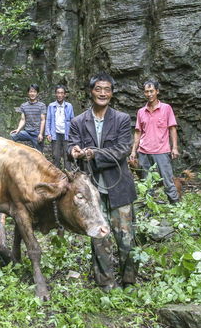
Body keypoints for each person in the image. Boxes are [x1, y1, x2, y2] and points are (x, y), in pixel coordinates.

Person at [68, 72, 138, 290]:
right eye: (98, 89)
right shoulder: (78, 121)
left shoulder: (122, 119)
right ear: (91, 91)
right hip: (93, 191)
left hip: (119, 187)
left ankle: (129, 281)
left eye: (107, 89)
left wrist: (94, 154)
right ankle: (106, 284)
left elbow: (123, 149)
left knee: (126, 238)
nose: (103, 93)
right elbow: (71, 145)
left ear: (112, 93)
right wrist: (74, 151)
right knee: (99, 237)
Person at [129, 80, 180, 204]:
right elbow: (137, 132)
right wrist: (133, 151)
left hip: (161, 150)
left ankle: (175, 203)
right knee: (147, 180)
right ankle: (149, 204)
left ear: (157, 91)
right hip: (144, 151)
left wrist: (174, 148)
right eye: (146, 91)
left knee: (167, 179)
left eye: (151, 91)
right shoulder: (141, 112)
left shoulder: (166, 108)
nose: (149, 94)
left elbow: (172, 128)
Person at [10, 84, 46, 152]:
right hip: (27, 132)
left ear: (37, 93)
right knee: (13, 135)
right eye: (31, 92)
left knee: (39, 154)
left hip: (37, 133)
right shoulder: (23, 106)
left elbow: (43, 120)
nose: (32, 94)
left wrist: (41, 134)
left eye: (34, 92)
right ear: (28, 93)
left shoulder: (42, 105)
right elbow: (23, 120)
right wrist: (18, 129)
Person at [45, 85, 75, 170]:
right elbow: (48, 120)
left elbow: (72, 120)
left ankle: (68, 175)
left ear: (65, 95)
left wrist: (72, 134)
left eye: (62, 93)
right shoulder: (51, 106)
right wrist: (48, 133)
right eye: (58, 93)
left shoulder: (69, 106)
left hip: (66, 134)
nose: (59, 95)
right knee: (56, 156)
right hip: (55, 134)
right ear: (55, 94)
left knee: (67, 156)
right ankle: (57, 175)